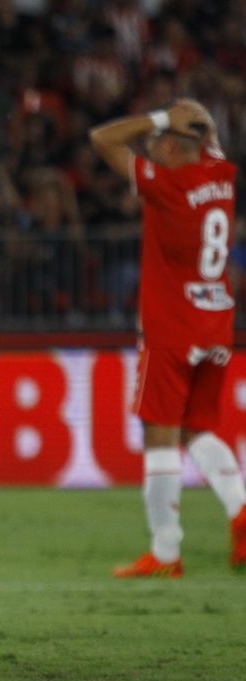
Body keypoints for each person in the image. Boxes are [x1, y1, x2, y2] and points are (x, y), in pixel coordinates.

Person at [90, 98, 246, 576]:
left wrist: (162, 117)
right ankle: (241, 512)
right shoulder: (222, 177)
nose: (152, 146)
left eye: (160, 140)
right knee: (197, 429)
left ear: (178, 146)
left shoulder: (168, 186)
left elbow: (101, 139)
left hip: (172, 329)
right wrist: (195, 118)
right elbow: (207, 133)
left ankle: (165, 552)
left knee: (159, 435)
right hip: (216, 324)